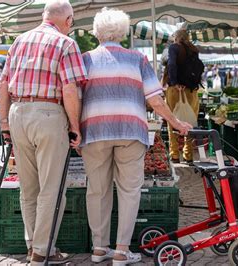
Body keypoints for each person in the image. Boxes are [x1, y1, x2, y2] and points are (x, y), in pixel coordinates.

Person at [80, 8, 192, 265]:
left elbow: (74, 98)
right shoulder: (138, 60)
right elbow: (156, 100)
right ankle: (121, 251)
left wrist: (75, 130)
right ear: (123, 32)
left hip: (95, 131)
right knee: (129, 190)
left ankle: (99, 248)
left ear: (96, 32)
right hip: (131, 131)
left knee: (97, 191)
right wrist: (175, 122)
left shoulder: (85, 60)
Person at [0, 0, 88, 264]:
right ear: (68, 21)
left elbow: (3, 84)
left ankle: (32, 245)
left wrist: (4, 123)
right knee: (51, 189)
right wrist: (75, 127)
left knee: (28, 187)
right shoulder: (66, 43)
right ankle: (41, 251)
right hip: (48, 113)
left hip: (18, 113)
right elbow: (70, 90)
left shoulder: (19, 41)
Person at [165, 29, 200, 163]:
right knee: (190, 121)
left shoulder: (174, 48)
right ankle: (188, 154)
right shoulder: (194, 50)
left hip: (175, 90)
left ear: (176, 38)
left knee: (171, 119)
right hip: (191, 91)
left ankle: (174, 154)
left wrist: (174, 82)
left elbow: (171, 64)